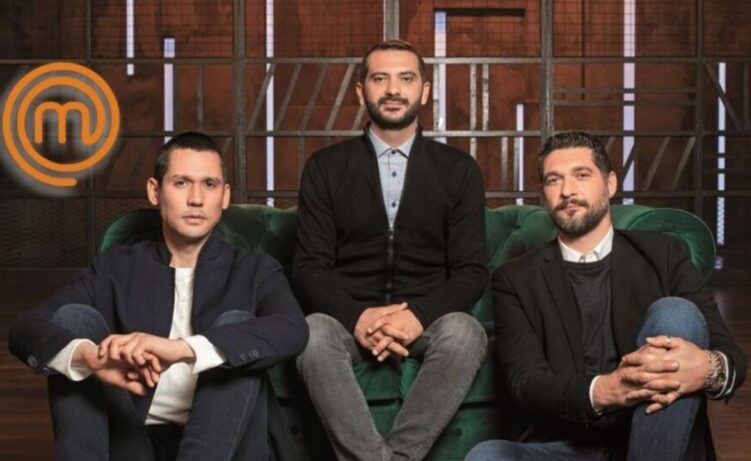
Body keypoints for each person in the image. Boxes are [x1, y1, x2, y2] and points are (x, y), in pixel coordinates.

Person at [8, 132, 309, 460]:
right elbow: (26, 328)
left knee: (236, 324)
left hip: (226, 444)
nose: (196, 199)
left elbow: (293, 329)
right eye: (181, 183)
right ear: (155, 191)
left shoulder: (255, 269)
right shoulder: (116, 266)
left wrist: (182, 349)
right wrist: (87, 358)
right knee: (73, 319)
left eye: (209, 185)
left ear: (224, 196)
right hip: (133, 441)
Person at [467, 131, 747, 461]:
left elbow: (731, 355)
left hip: (657, 438)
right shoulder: (515, 279)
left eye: (582, 175)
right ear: (544, 194)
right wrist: (606, 389)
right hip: (569, 446)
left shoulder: (664, 254)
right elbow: (526, 384)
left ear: (610, 184)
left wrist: (709, 368)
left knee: (676, 314)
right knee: (486, 456)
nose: (567, 191)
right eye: (554, 180)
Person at [293, 39, 489, 461]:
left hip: (426, 320)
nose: (394, 89)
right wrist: (358, 317)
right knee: (312, 333)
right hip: (347, 320)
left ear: (425, 91)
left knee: (465, 332)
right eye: (380, 79)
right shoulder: (325, 168)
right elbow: (310, 267)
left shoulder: (459, 170)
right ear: (360, 91)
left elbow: (472, 271)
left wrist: (415, 316)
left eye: (406, 78)